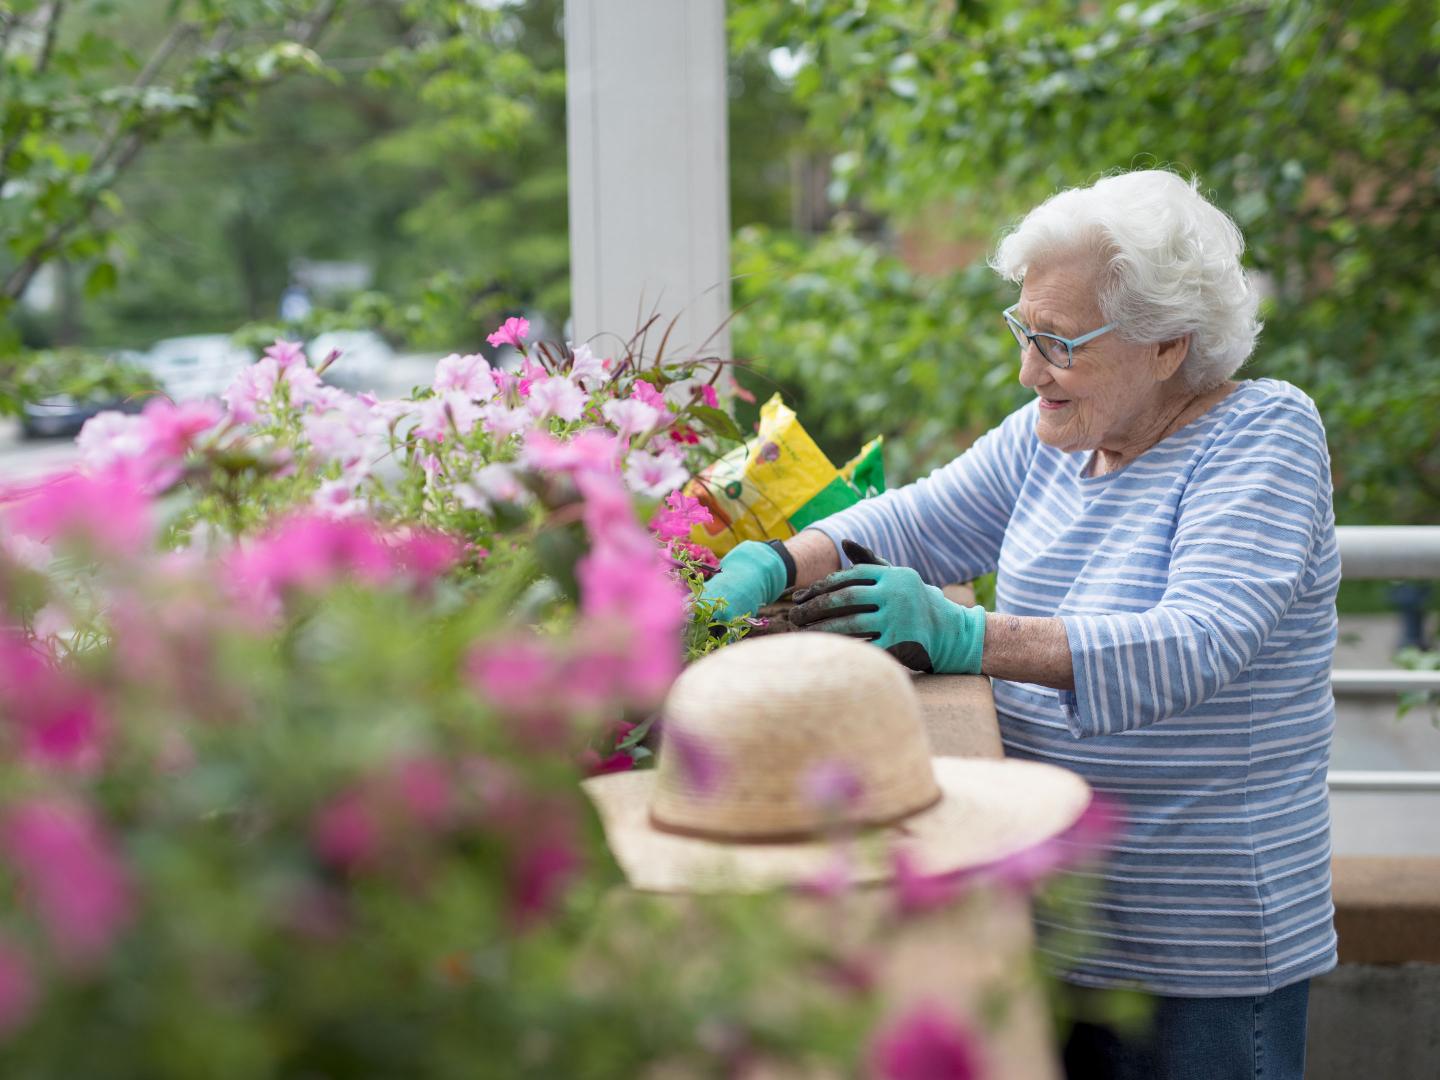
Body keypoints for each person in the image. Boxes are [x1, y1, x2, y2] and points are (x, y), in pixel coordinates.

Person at [701, 169, 1338, 1080]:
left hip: (1203, 946)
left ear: (1167, 346)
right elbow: (907, 522)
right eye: (1025, 332)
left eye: (1058, 343)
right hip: (1054, 909)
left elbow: (1200, 640)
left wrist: (973, 638)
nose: (1029, 369)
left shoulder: (1263, 434)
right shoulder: (1054, 435)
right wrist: (777, 561)